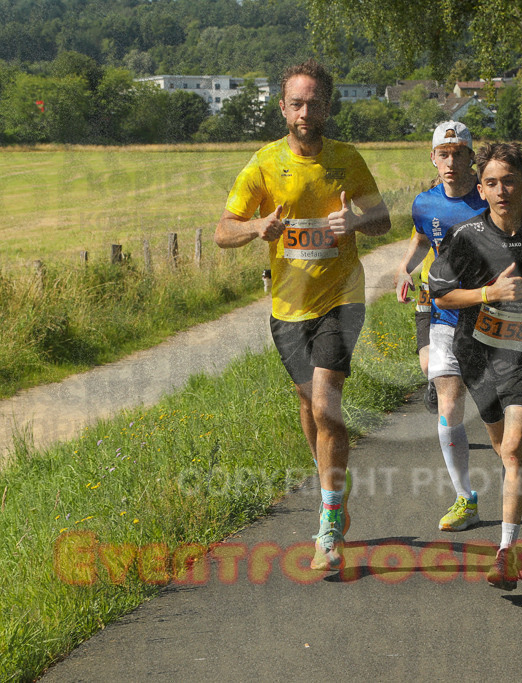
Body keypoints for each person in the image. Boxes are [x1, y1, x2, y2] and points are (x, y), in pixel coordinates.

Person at [214, 59, 391, 571]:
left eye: (314, 103)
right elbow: (224, 229)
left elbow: (381, 220)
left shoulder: (348, 160)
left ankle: (328, 527)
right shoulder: (264, 164)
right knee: (307, 402)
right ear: (283, 108)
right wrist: (257, 229)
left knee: (325, 403)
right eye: (296, 103)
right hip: (287, 305)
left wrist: (354, 219)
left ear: (328, 107)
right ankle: (331, 483)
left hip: (341, 298)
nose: (305, 112)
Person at [430, 142, 522, 590]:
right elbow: (440, 295)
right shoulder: (467, 235)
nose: (501, 190)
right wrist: (487, 295)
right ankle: (510, 512)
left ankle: (506, 551)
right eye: (491, 183)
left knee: (512, 448)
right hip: (477, 355)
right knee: (503, 447)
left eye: (509, 180)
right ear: (481, 187)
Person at [395, 121, 488, 532]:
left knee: (492, 409)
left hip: (487, 315)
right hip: (442, 311)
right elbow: (421, 238)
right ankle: (465, 497)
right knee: (450, 404)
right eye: (443, 154)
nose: (451, 162)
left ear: (471, 157)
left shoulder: (488, 198)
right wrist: (404, 269)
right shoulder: (425, 203)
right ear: (433, 158)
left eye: (459, 154)